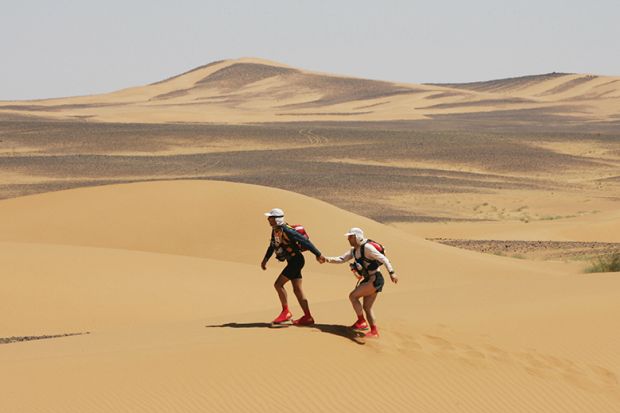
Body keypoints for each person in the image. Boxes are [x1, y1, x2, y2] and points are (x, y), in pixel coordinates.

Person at [323, 227, 398, 338]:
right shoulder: (354, 250)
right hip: (370, 279)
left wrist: (392, 273)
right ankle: (374, 331)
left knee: (353, 296)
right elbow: (341, 259)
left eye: (351, 237)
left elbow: (384, 259)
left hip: (375, 278)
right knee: (367, 307)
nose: (348, 239)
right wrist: (326, 259)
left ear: (357, 237)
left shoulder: (367, 248)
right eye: (348, 237)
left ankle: (361, 321)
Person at [261, 208, 325, 326]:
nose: (268, 219)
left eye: (271, 218)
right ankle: (308, 317)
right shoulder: (276, 230)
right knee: (297, 289)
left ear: (277, 219)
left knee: (278, 284)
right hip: (292, 261)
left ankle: (286, 312)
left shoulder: (287, 230)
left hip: (296, 261)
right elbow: (272, 245)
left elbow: (306, 242)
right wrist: (265, 260)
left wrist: (318, 254)